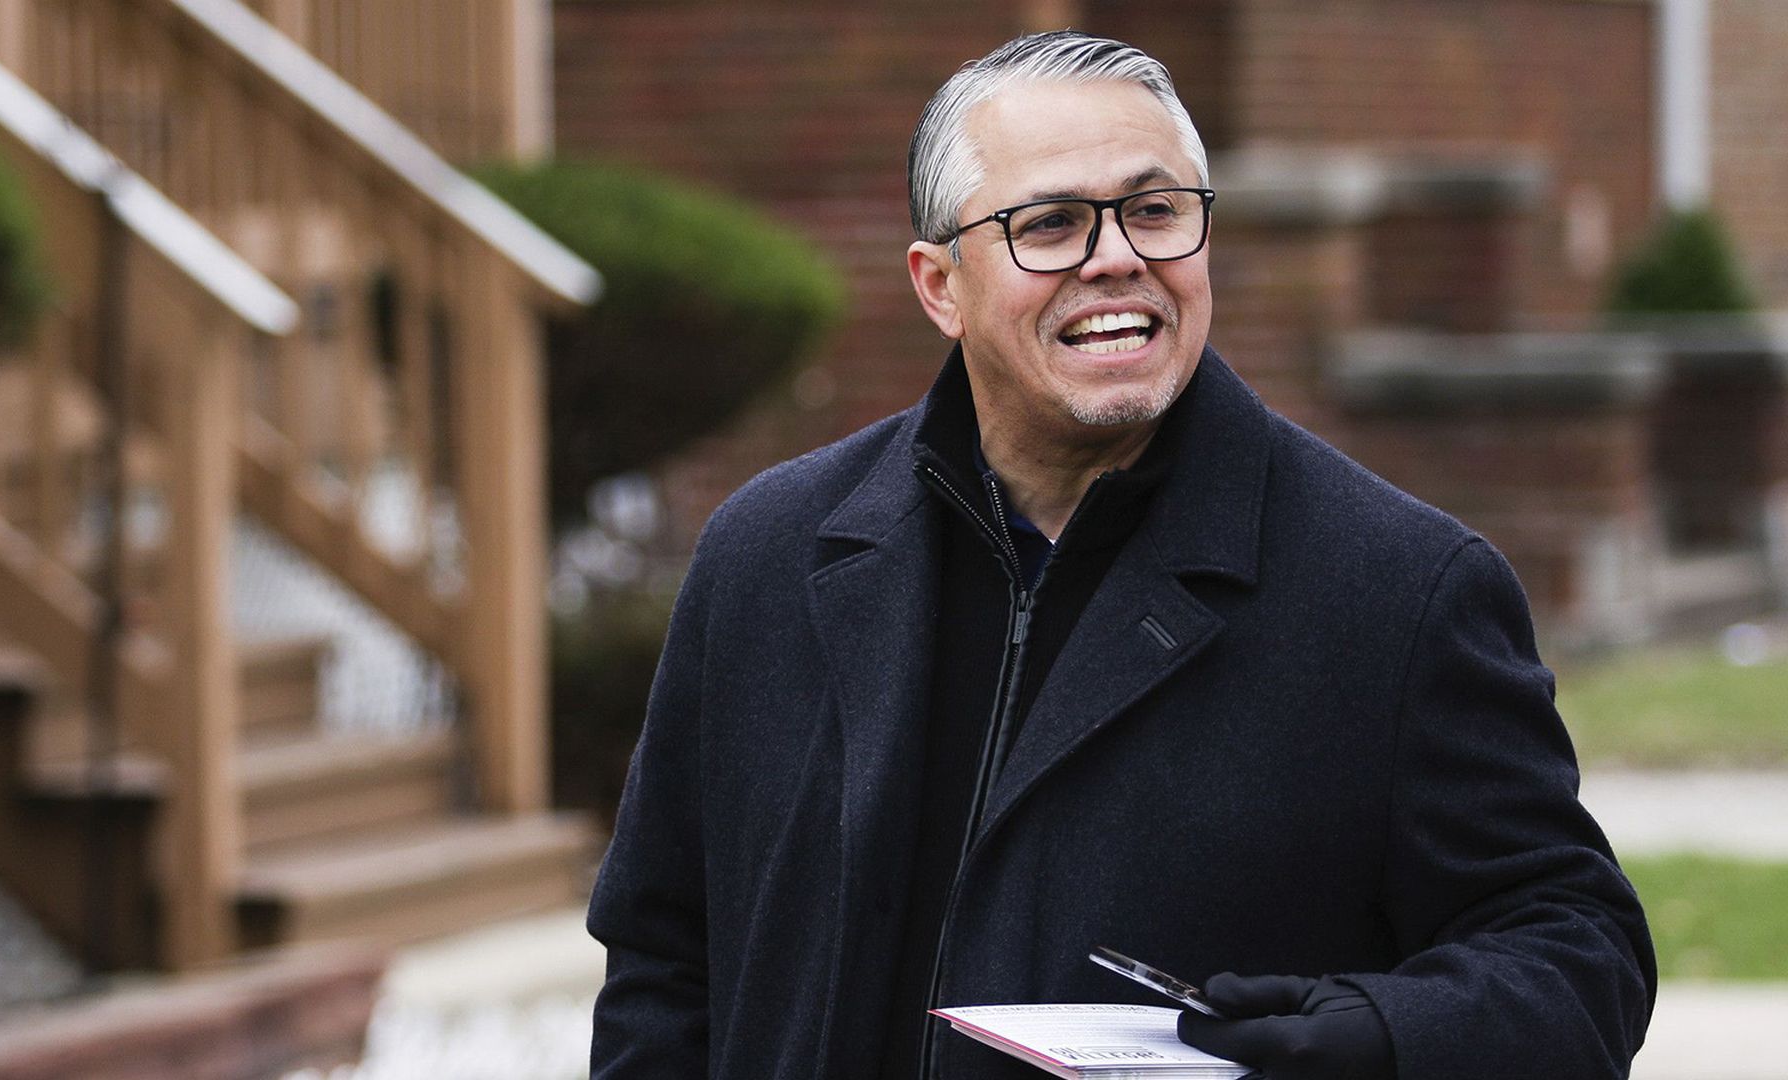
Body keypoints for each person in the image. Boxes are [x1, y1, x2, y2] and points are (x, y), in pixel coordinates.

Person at [587, 30, 1656, 1080]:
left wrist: (1375, 1032)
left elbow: (1579, 953)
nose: (1116, 257)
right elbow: (664, 961)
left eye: (1155, 210)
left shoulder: (1399, 587)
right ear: (940, 286)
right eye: (1049, 224)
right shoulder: (764, 555)